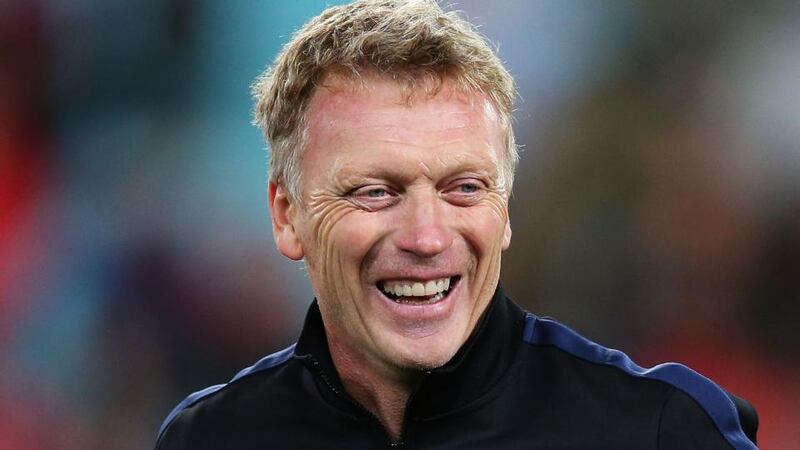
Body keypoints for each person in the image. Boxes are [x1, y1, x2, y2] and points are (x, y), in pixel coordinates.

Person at [156, 1, 759, 448]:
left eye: (464, 189)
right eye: (375, 192)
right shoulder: (211, 437)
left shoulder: (659, 431)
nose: (427, 237)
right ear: (288, 216)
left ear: (505, 212)